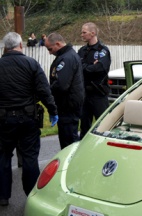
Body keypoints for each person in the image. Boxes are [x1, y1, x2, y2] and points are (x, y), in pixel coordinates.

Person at [0, 32, 58, 206]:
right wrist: (53, 110)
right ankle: (31, 195)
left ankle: (3, 196)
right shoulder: (31, 64)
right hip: (27, 118)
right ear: (20, 46)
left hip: (3, 120)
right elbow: (44, 90)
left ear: (5, 47)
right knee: (30, 157)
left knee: (3, 156)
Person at [45, 33, 84, 149]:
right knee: (67, 138)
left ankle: (71, 166)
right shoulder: (65, 56)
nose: (50, 52)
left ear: (57, 44)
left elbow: (61, 85)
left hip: (68, 106)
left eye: (50, 49)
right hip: (66, 105)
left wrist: (47, 91)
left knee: (68, 142)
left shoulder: (67, 58)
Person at [78, 22, 111, 139]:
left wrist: (86, 66)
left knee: (103, 127)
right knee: (84, 128)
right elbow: (78, 69)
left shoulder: (103, 51)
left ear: (93, 33)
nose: (81, 35)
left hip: (98, 94)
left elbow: (100, 69)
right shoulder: (82, 51)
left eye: (84, 32)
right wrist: (90, 66)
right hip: (85, 95)